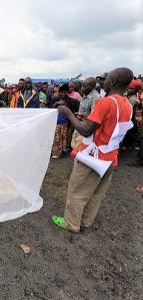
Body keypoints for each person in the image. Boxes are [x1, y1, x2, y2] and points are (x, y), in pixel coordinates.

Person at [51, 67, 134, 233]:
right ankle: (86, 221)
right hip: (110, 157)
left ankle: (71, 223)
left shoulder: (105, 102)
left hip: (93, 158)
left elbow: (86, 131)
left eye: (107, 78)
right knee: (96, 192)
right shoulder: (126, 104)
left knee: (77, 190)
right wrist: (84, 118)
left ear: (113, 82)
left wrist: (68, 113)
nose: (103, 81)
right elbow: (109, 127)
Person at [51, 83, 80, 158]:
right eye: (61, 92)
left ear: (68, 93)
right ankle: (56, 152)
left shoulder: (73, 101)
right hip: (56, 123)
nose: (63, 94)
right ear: (59, 92)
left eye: (65, 92)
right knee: (56, 138)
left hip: (67, 124)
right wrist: (57, 103)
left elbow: (75, 112)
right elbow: (50, 109)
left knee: (64, 138)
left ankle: (62, 151)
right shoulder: (55, 99)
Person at [71, 77, 100, 150]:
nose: (81, 88)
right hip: (80, 125)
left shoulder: (95, 98)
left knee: (81, 150)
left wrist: (83, 116)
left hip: (86, 129)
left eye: (84, 87)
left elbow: (95, 117)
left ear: (92, 87)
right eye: (82, 86)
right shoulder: (86, 94)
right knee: (75, 147)